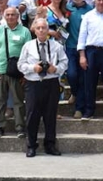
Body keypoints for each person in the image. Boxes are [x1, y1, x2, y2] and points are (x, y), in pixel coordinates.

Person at [19, 17, 68, 157]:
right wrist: (32, 68)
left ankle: (50, 144)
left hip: (51, 83)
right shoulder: (27, 46)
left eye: (44, 28)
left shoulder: (56, 46)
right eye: (38, 28)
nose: (41, 30)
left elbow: (65, 62)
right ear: (34, 30)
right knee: (32, 115)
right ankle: (31, 145)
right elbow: (20, 65)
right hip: (33, 83)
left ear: (48, 30)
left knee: (50, 115)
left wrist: (56, 69)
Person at [0, 7, 31, 138]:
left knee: (18, 101)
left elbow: (29, 53)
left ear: (18, 16)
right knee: (0, 101)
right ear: (4, 16)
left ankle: (20, 127)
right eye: (8, 15)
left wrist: (25, 73)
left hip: (17, 71)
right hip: (1, 70)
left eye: (13, 14)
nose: (10, 17)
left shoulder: (25, 31)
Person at [77, 0, 103, 120]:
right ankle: (89, 110)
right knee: (89, 82)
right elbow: (82, 36)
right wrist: (82, 56)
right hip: (91, 51)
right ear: (95, 1)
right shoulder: (88, 16)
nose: (101, 2)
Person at [64, 0, 92, 119]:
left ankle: (79, 109)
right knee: (71, 74)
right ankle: (74, 93)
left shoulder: (90, 10)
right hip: (69, 47)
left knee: (82, 78)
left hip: (85, 49)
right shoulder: (66, 9)